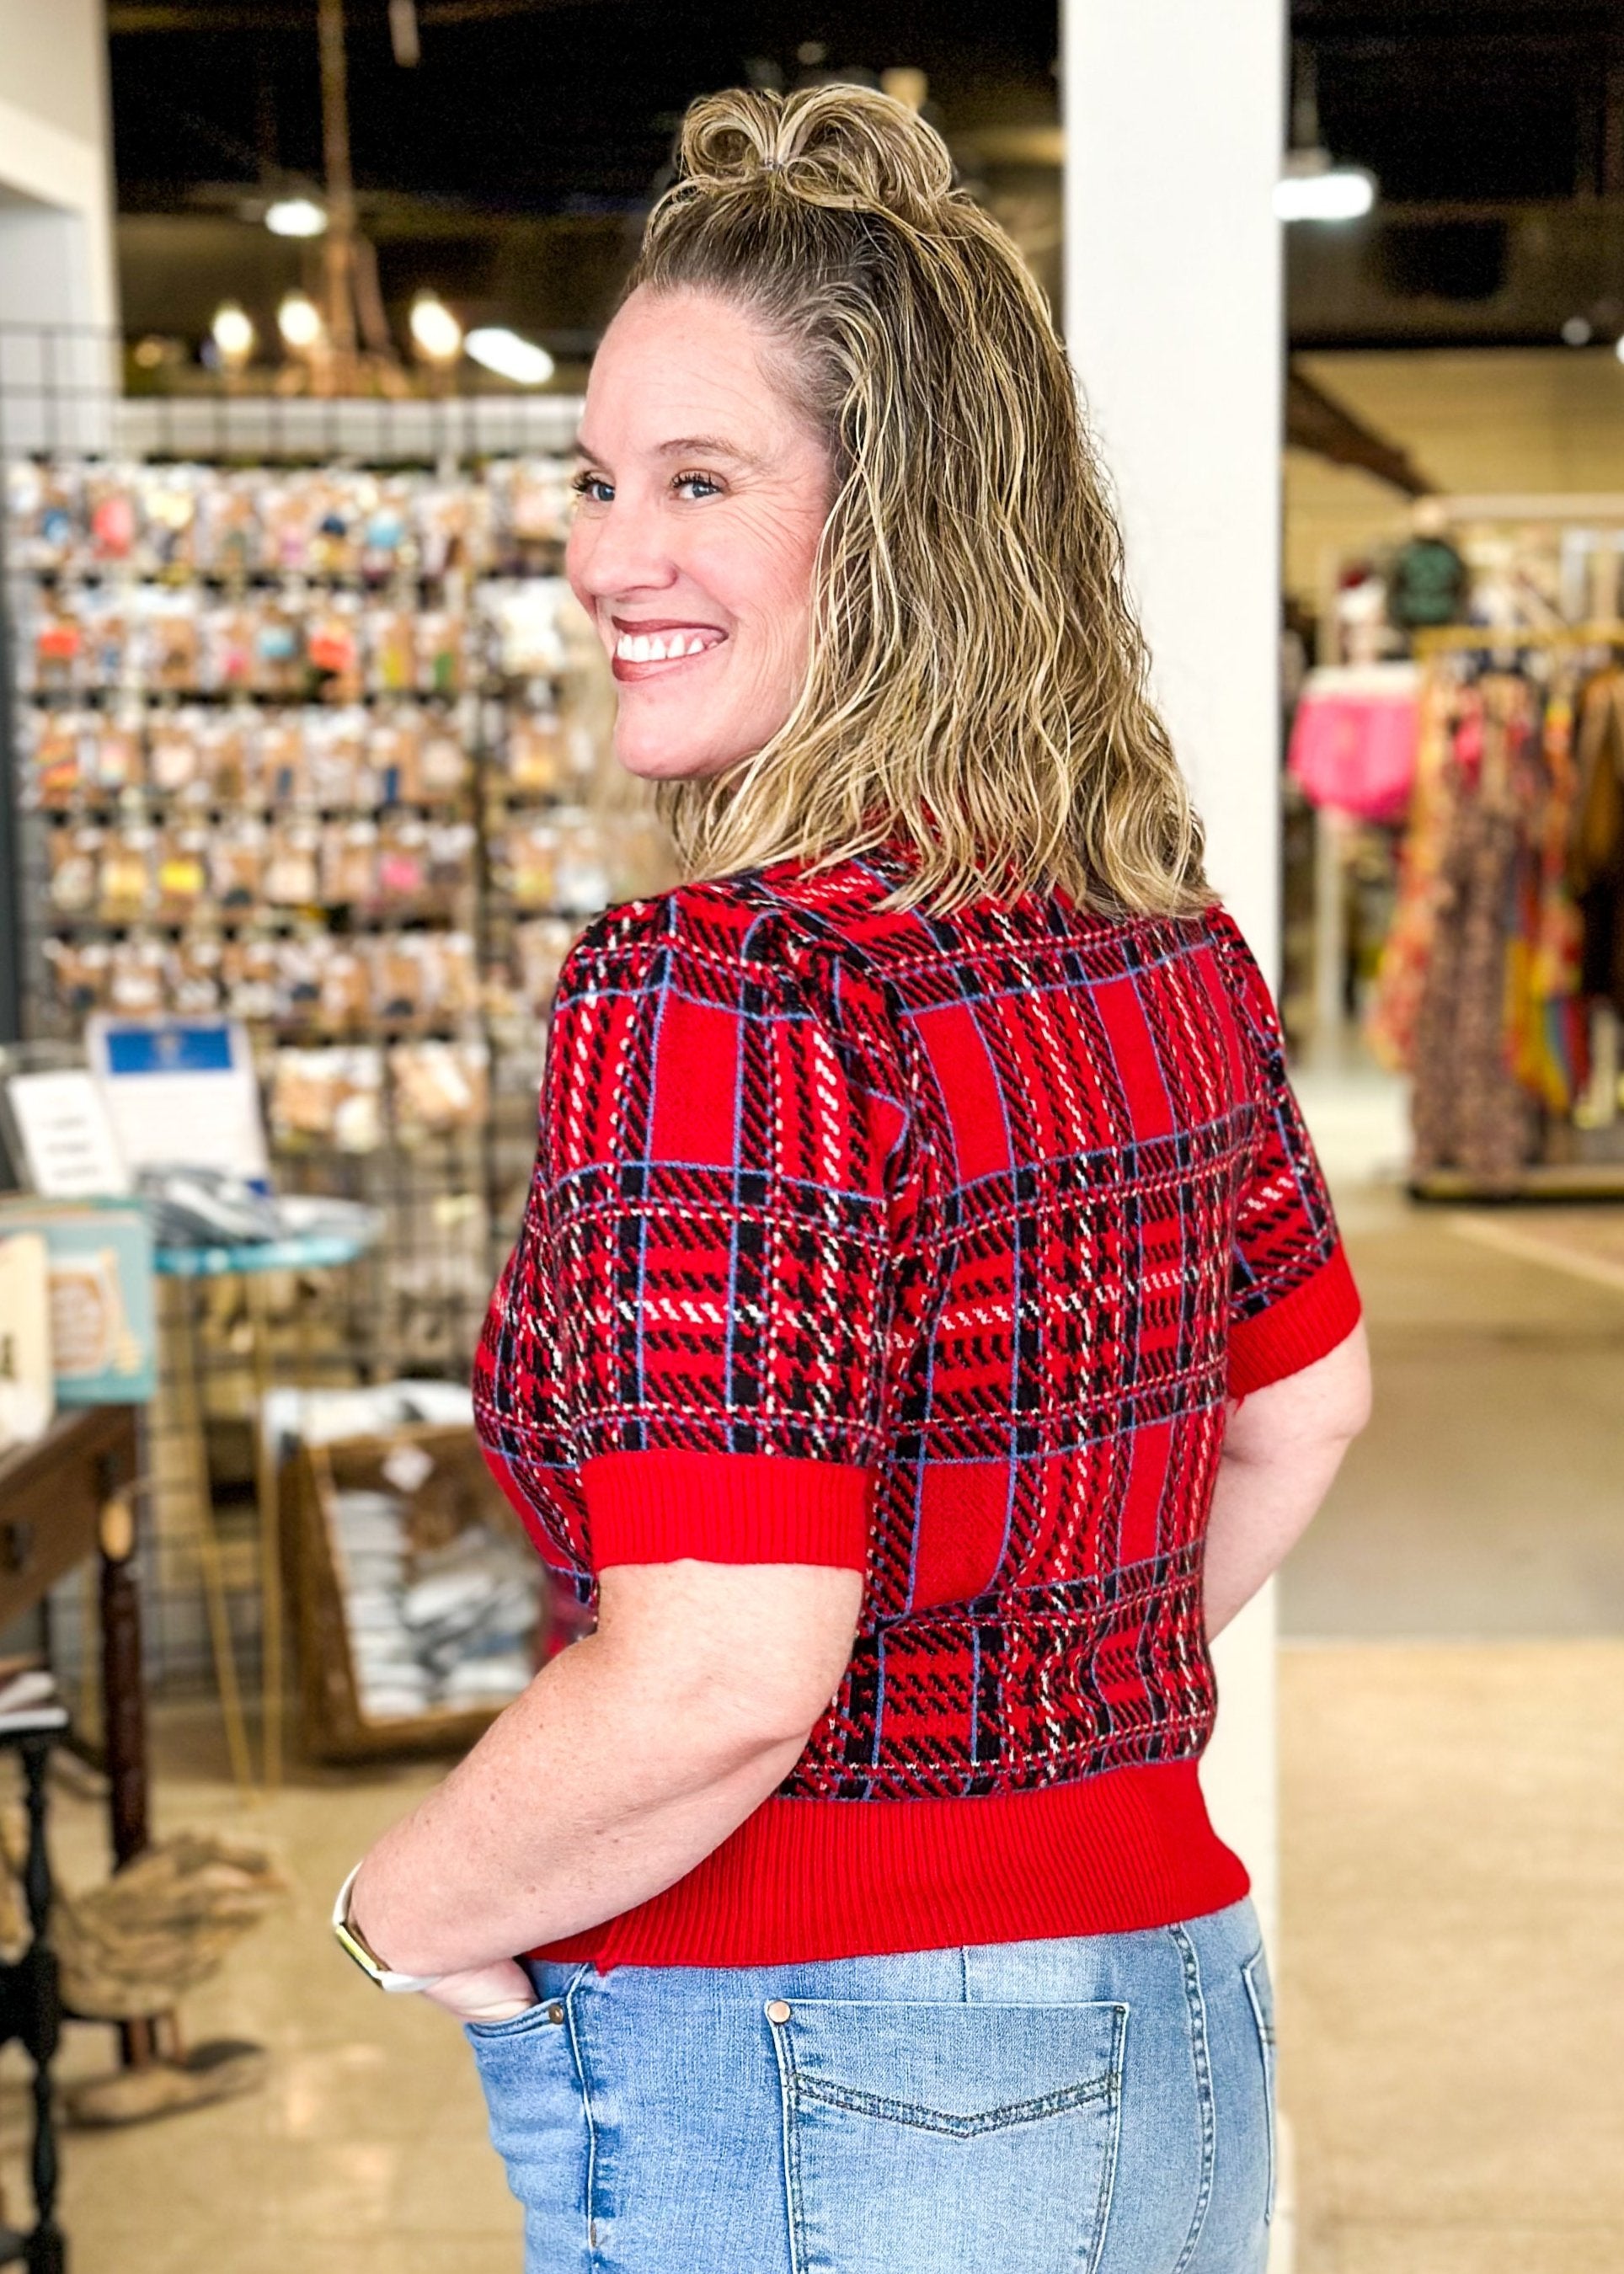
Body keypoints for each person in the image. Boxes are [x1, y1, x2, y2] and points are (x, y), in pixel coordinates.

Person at [337, 83, 1370, 2274]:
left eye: (701, 482)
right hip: (1166, 2016)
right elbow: (1306, 1406)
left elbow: (718, 1670)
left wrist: (402, 1903)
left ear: (896, 525)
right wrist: (1019, 1758)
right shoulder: (1156, 936)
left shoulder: (737, 975)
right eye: (601, 481)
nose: (614, 554)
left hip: (815, 2066)